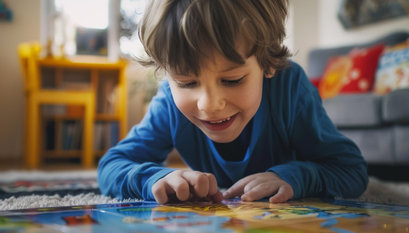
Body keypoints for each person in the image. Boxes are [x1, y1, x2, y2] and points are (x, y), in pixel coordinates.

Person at [98, 0, 368, 204]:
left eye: (232, 80)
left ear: (267, 64)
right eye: (186, 83)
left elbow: (351, 170)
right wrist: (156, 178)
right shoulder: (169, 103)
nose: (209, 104)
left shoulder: (289, 88)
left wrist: (293, 176)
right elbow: (112, 165)